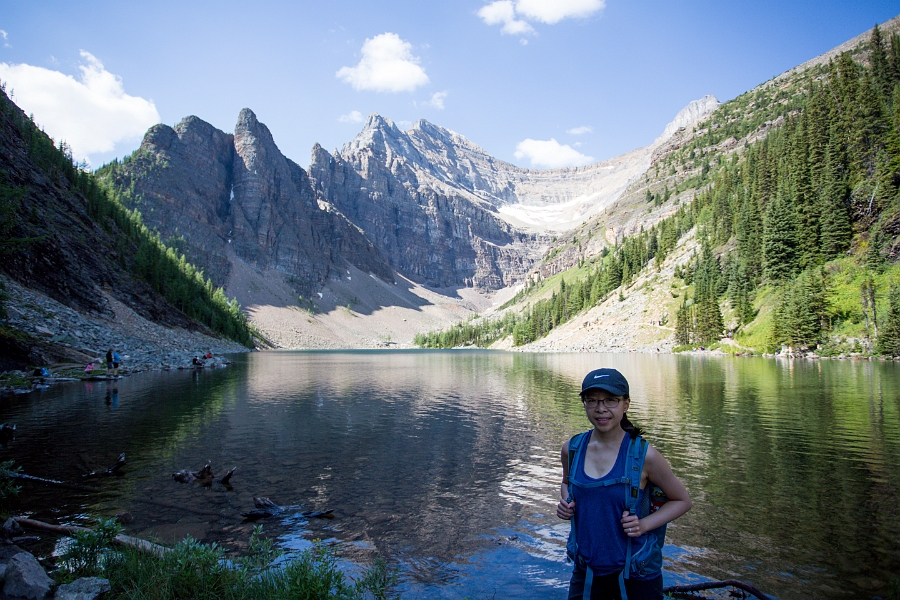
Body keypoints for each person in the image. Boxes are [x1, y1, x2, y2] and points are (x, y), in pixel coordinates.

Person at [557, 368, 691, 600]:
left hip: (636, 576)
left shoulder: (644, 455)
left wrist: (644, 525)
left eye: (611, 400)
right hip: (586, 572)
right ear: (584, 403)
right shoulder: (572, 449)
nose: (601, 409)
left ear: (626, 404)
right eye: (592, 401)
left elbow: (682, 501)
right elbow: (566, 483)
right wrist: (566, 502)